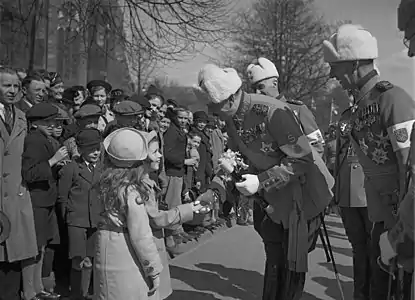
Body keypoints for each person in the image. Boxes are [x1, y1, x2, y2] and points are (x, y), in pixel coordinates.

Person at [193, 64, 334, 300]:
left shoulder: (273, 111)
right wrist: (215, 191)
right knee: (275, 261)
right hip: (273, 201)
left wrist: (261, 181)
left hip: (303, 197)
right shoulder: (232, 117)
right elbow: (232, 158)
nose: (211, 113)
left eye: (214, 108)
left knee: (291, 266)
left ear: (229, 100)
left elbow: (302, 159)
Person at [323, 23, 414, 300]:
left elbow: (409, 168)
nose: (332, 74)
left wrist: (401, 232)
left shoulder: (392, 100)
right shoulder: (357, 109)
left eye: (335, 66)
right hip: (380, 218)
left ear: (354, 64)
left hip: (400, 220)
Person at [141, 130, 204, 299]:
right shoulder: (137, 187)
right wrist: (189, 209)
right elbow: (156, 219)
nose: (160, 155)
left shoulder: (145, 181)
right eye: (154, 152)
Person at [22, 103, 68, 300]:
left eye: (53, 121)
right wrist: (53, 160)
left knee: (41, 245)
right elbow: (30, 173)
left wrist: (57, 165)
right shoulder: (33, 140)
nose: (52, 125)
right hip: (37, 200)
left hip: (46, 198)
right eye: (47, 122)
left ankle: (38, 287)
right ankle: (29, 290)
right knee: (33, 246)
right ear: (35, 123)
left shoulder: (43, 139)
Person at [0, 67, 38, 300]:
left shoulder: (22, 117)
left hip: (16, 196)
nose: (12, 91)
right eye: (6, 85)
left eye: (16, 86)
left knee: (13, 259)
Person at [58, 128, 103, 299]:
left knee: (90, 259)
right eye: (91, 150)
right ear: (81, 149)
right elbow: (62, 197)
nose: (95, 153)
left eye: (97, 149)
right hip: (76, 220)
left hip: (96, 220)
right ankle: (76, 294)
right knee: (78, 259)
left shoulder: (101, 168)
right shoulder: (72, 168)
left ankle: (84, 294)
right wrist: (66, 219)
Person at [246, 57, 325, 156]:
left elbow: (317, 147)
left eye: (261, 87)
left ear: (274, 83)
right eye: (254, 89)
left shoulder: (298, 110)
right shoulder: (256, 118)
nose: (257, 92)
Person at [335, 108, 372, 300]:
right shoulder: (346, 115)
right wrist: (336, 188)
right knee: (358, 248)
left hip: (371, 191)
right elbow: (338, 153)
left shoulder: (378, 108)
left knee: (374, 249)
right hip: (347, 193)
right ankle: (360, 294)